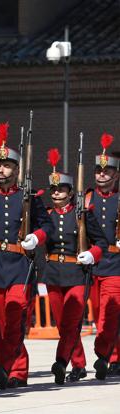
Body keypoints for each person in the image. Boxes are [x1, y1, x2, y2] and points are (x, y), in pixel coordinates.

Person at [0, 122, 54, 390]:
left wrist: (36, 237)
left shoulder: (29, 197)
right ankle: (3, 362)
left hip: (18, 264)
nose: (1, 170)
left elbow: (46, 225)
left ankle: (16, 369)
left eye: (7, 166)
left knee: (15, 318)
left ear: (16, 170)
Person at [41, 148, 106, 384]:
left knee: (72, 321)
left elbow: (101, 243)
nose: (56, 193)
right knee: (63, 324)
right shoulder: (45, 214)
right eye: (53, 189)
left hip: (77, 274)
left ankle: (60, 361)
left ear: (70, 192)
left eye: (61, 189)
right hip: (53, 275)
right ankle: (78, 365)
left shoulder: (83, 215)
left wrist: (92, 254)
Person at [88, 134, 120, 380]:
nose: (102, 175)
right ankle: (113, 355)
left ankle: (106, 357)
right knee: (99, 311)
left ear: (115, 175)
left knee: (109, 315)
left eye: (106, 171)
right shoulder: (87, 198)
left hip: (116, 263)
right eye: (98, 171)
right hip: (91, 264)